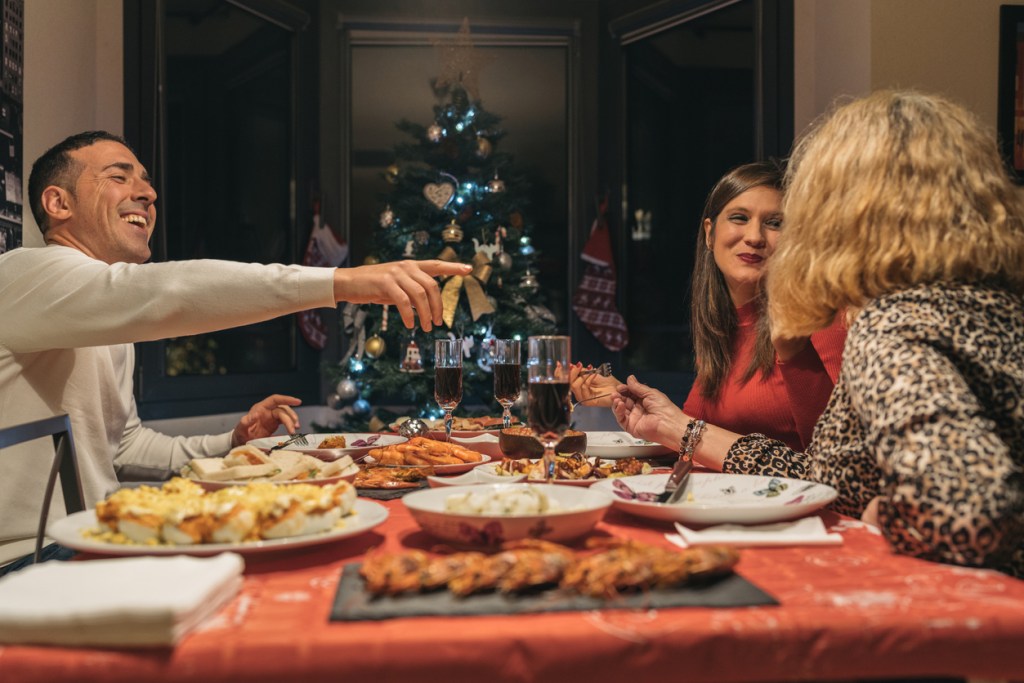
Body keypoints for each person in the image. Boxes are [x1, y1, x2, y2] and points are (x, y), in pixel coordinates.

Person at [0, 131, 472, 570]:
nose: (147, 193)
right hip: (30, 557)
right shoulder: (21, 275)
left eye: (145, 180)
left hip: (100, 535)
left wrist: (231, 443)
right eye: (119, 177)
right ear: (58, 203)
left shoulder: (105, 310)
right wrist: (340, 282)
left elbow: (123, 446)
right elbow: (169, 291)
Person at [613, 90, 1024, 577]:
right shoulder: (991, 305)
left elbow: (970, 514)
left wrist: (881, 514)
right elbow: (840, 478)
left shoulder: (895, 323)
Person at [571, 162, 846, 451]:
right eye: (739, 218)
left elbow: (838, 451)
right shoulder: (722, 326)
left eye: (775, 223)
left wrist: (795, 353)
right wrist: (625, 397)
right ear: (709, 234)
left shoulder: (820, 318)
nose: (754, 236)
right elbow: (692, 434)